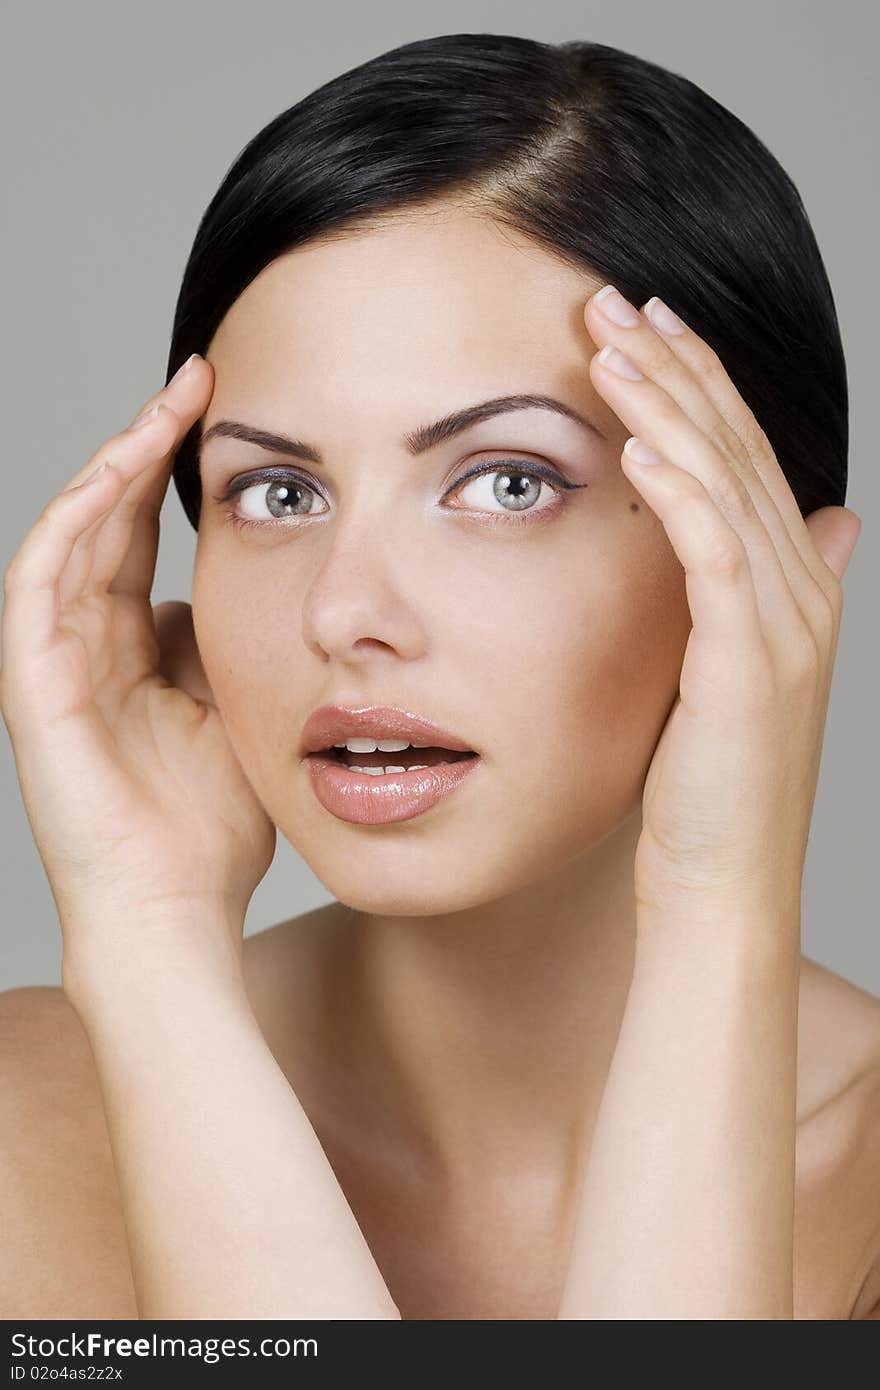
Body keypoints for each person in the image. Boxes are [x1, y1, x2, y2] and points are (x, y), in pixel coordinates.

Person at [1, 33, 877, 1321]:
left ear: (773, 564)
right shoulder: (25, 1122)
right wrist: (145, 940)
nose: (345, 611)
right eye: (277, 491)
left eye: (507, 483)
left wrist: (722, 900)